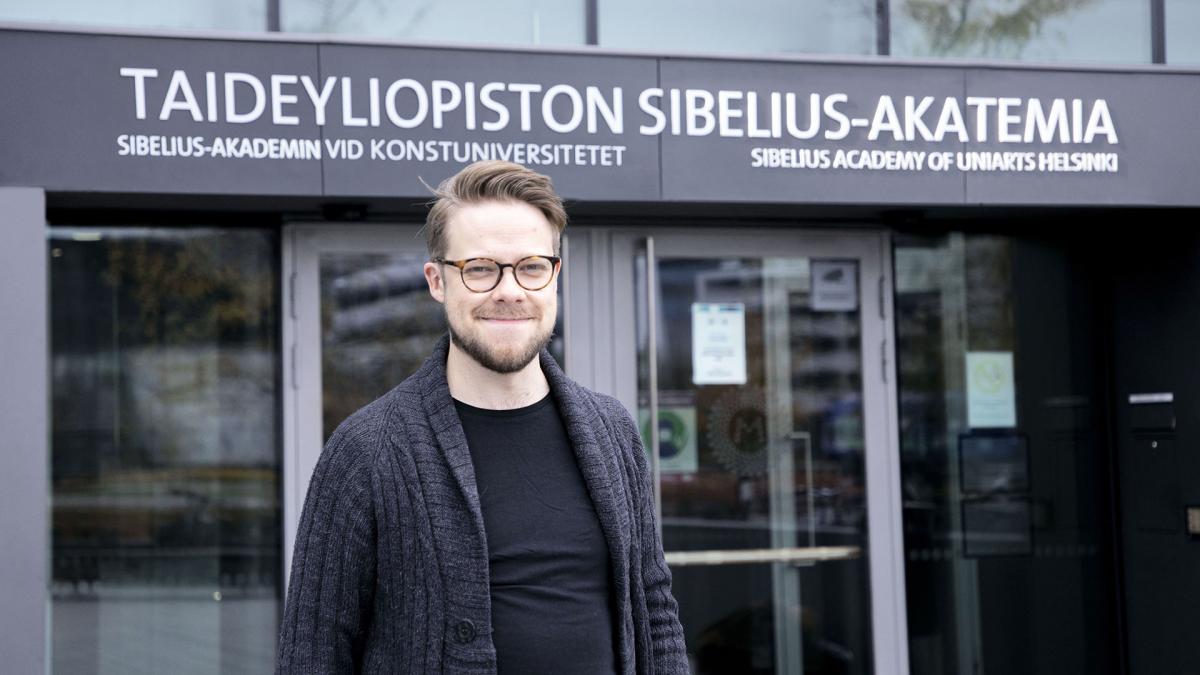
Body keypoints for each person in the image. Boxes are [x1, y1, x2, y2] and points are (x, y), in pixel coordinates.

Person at [275, 160, 689, 674]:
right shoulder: (366, 450)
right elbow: (312, 654)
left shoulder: (612, 430)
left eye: (531, 266)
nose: (510, 291)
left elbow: (653, 608)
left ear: (555, 275)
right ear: (437, 281)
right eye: (481, 269)